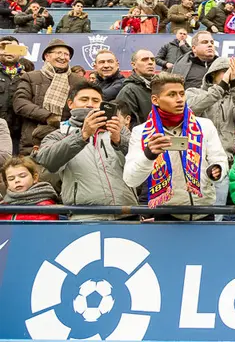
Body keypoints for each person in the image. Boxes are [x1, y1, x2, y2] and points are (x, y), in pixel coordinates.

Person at [123, 73, 228, 221]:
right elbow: (131, 179)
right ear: (155, 100)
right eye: (171, 95)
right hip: (167, 213)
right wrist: (148, 155)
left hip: (204, 210)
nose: (179, 99)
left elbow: (220, 159)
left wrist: (216, 170)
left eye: (181, 94)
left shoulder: (204, 125)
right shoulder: (141, 132)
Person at [35, 82, 137, 221]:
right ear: (70, 104)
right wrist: (82, 136)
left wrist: (119, 141)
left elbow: (141, 160)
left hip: (127, 213)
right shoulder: (58, 135)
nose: (90, 104)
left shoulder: (119, 129)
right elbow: (47, 161)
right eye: (84, 99)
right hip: (84, 216)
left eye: (95, 101)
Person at [13, 39, 84, 155]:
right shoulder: (31, 77)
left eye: (66, 54)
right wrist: (48, 116)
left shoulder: (78, 81)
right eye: (58, 53)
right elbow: (20, 103)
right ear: (47, 56)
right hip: (33, 141)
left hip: (68, 139)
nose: (63, 57)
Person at [186, 56, 235, 163]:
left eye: (232, 71)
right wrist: (220, 88)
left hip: (226, 159)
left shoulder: (234, 98)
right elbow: (190, 110)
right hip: (197, 158)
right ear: (213, 73)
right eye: (225, 71)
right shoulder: (193, 92)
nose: (229, 74)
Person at [0, 156, 58, 221]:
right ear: (7, 184)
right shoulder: (3, 206)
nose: (17, 180)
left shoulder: (45, 206)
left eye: (22, 176)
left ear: (35, 177)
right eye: (11, 179)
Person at [115, 49, 156, 128]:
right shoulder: (128, 91)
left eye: (152, 59)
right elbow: (127, 124)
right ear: (134, 65)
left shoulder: (161, 87)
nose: (150, 62)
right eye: (144, 60)